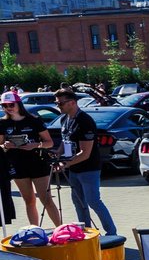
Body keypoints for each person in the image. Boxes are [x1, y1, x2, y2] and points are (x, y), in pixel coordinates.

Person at [52, 88, 117, 236]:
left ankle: (112, 233)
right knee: (79, 202)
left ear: (72, 102)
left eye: (60, 103)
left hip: (89, 169)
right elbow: (65, 139)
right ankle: (86, 232)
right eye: (56, 103)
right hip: (74, 169)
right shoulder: (65, 118)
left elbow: (85, 153)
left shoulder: (85, 121)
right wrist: (58, 152)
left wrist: (66, 164)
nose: (58, 106)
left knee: (93, 201)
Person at [0, 91, 61, 227]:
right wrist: (5, 145)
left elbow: (49, 142)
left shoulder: (33, 120)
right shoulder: (3, 123)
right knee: (29, 200)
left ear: (19, 104)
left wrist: (36, 145)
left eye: (11, 104)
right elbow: (0, 145)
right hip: (17, 165)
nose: (8, 108)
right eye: (4, 105)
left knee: (46, 199)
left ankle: (60, 228)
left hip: (37, 163)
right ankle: (35, 230)